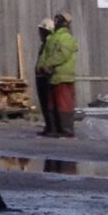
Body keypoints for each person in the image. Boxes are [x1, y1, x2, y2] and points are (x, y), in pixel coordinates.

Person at [36, 10, 79, 138]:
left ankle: (66, 130)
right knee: (52, 105)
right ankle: (53, 129)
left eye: (59, 19)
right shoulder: (53, 37)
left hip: (63, 76)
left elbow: (62, 55)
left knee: (63, 105)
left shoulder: (65, 37)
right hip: (53, 76)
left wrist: (47, 64)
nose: (56, 21)